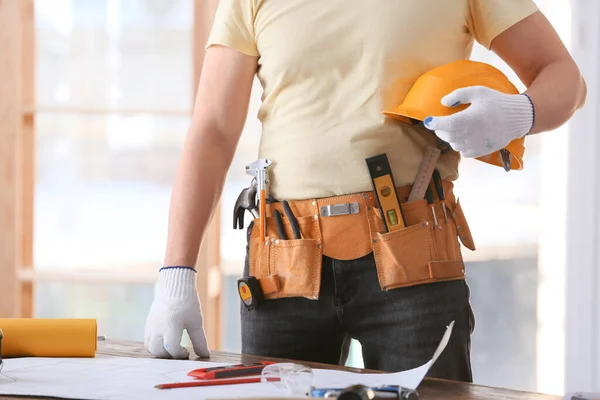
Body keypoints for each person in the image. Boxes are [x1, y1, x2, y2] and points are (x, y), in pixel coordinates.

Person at [144, 0, 586, 382]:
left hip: (414, 258)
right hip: (283, 264)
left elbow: (564, 76)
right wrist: (176, 274)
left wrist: (519, 113)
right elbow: (213, 130)